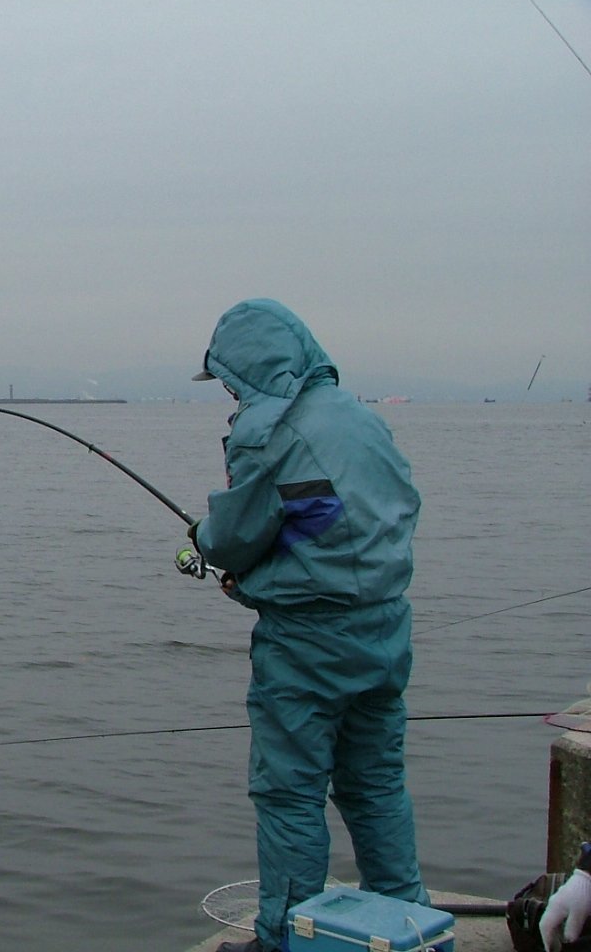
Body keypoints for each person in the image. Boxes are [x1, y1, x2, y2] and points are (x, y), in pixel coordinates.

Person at [185, 298, 429, 952]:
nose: (231, 394)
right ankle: (409, 922)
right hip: (385, 632)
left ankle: (283, 939)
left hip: (307, 645)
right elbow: (383, 510)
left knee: (290, 795)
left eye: (230, 380)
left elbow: (234, 537)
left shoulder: (264, 430)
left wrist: (203, 543)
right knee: (375, 786)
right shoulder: (363, 420)